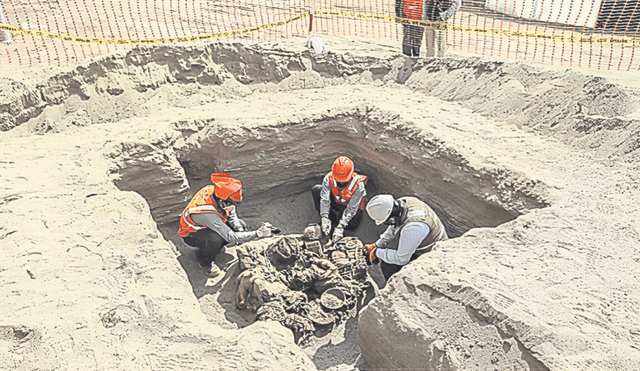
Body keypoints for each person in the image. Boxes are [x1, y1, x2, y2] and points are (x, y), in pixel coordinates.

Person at [179, 172, 278, 278]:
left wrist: (239, 229)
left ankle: (213, 247)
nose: (232, 206)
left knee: (241, 224)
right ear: (222, 202)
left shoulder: (216, 192)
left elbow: (231, 213)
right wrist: (258, 234)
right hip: (191, 235)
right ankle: (204, 262)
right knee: (216, 239)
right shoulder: (208, 213)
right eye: (231, 204)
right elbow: (230, 237)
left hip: (207, 226)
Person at [364, 194, 448, 281]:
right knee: (389, 257)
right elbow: (393, 228)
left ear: (391, 219)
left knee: (389, 267)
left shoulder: (414, 228)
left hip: (432, 253)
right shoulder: (402, 204)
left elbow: (401, 259)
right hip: (420, 240)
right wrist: (377, 245)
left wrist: (377, 253)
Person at [311, 156, 368, 243]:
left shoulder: (358, 185)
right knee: (317, 189)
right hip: (338, 200)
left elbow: (351, 209)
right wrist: (325, 217)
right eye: (338, 180)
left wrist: (340, 226)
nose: (341, 183)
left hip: (352, 206)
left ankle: (341, 226)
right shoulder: (329, 178)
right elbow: (325, 199)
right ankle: (331, 219)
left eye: (343, 181)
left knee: (352, 226)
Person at [396, 0, 462, 57]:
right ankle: (428, 60)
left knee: (440, 44)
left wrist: (444, 15)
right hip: (428, 18)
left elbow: (456, 4)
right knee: (429, 44)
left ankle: (440, 61)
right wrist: (424, 18)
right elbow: (425, 3)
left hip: (441, 20)